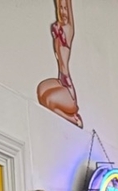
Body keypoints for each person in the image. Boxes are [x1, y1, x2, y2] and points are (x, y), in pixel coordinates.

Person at [36, 0, 82, 129]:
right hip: (60, 80)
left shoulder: (68, 29)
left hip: (68, 90)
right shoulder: (58, 27)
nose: (63, 12)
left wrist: (66, 5)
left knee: (49, 100)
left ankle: (73, 119)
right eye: (60, 9)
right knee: (41, 91)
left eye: (65, 9)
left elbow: (67, 6)